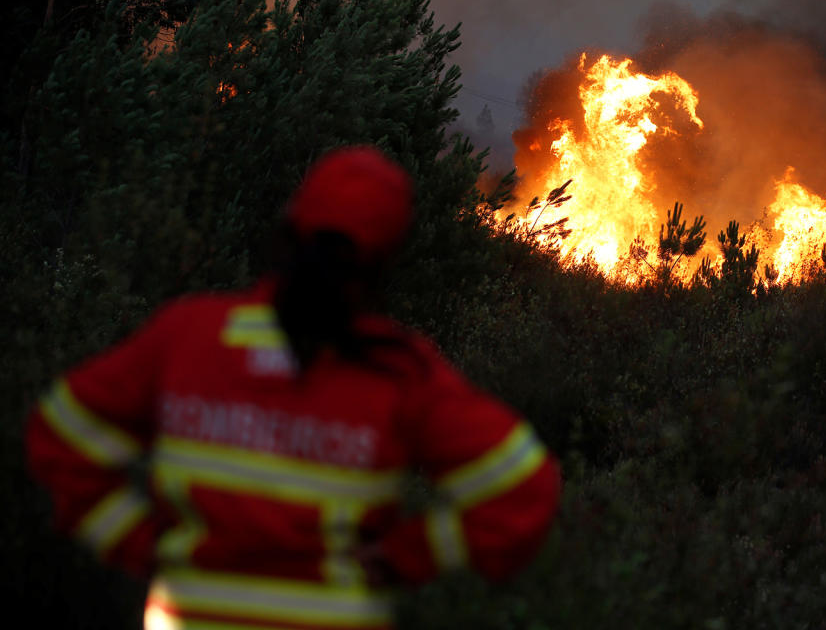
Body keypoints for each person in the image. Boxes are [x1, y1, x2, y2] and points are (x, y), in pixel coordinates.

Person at [27, 146, 561, 630]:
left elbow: (62, 436)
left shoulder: (189, 336)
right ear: (383, 264)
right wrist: (407, 556)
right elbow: (522, 488)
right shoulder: (397, 373)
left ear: (288, 232)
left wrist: (143, 546)